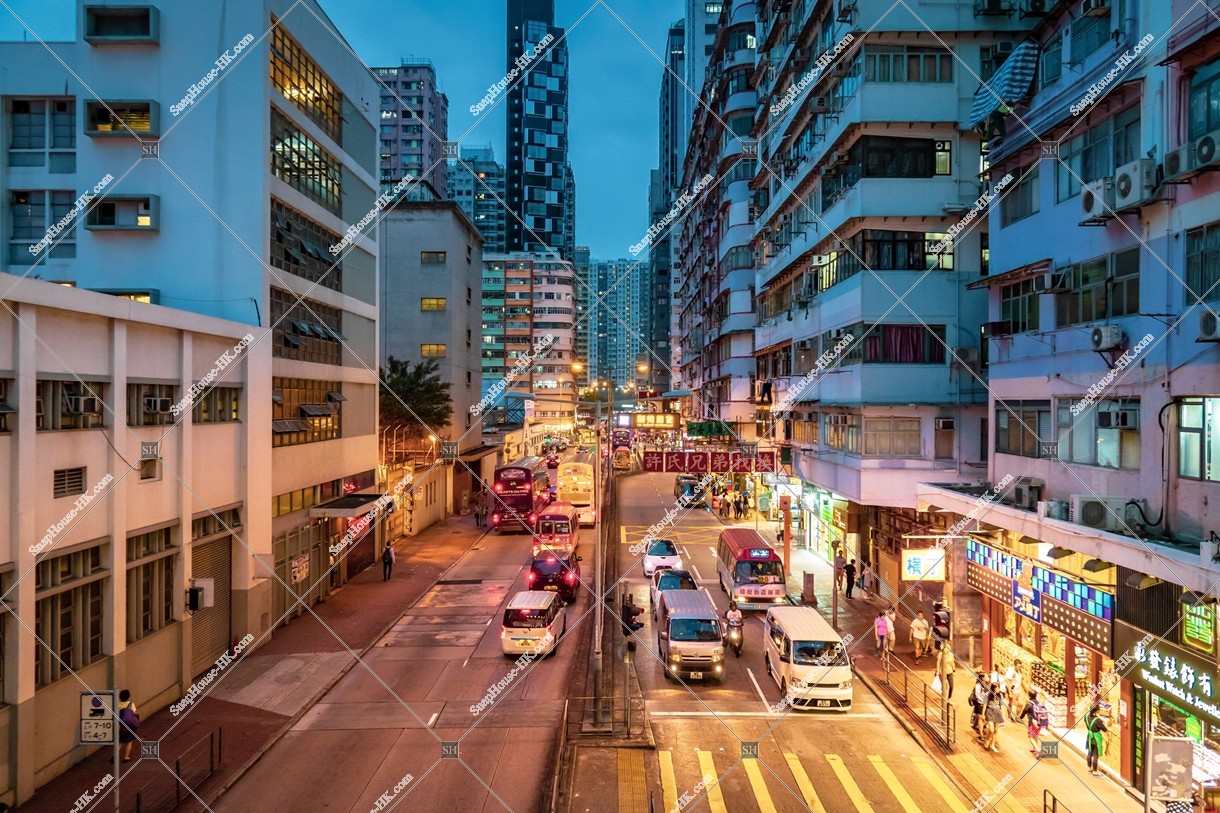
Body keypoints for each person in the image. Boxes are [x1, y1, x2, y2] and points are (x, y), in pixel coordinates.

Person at [1020, 690, 1050, 757]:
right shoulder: (1038, 703)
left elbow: (1024, 712)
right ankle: (1035, 749)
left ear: (1029, 696)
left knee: (1030, 737)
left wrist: (1020, 718)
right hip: (1040, 723)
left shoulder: (1029, 704)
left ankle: (1037, 749)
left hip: (1033, 723)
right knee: (1035, 736)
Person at [1085, 705, 1108, 776]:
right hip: (1096, 738)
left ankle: (1089, 768)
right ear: (1097, 711)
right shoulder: (1097, 720)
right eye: (1099, 710)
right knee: (1095, 755)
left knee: (1089, 752)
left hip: (1089, 736)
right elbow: (1104, 729)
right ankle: (1095, 771)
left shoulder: (1086, 717)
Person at [982, 682, 1005, 752]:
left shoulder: (1000, 695)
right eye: (997, 687)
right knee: (991, 730)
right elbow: (985, 704)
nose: (999, 689)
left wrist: (1003, 715)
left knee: (996, 730)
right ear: (994, 688)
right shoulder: (987, 695)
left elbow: (1002, 706)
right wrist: (983, 714)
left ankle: (992, 744)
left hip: (997, 712)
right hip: (989, 712)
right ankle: (988, 740)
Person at [118, 689, 140, 762]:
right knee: (129, 741)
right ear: (128, 696)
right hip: (129, 725)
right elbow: (133, 712)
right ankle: (126, 757)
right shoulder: (131, 704)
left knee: (120, 741)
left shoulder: (118, 704)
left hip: (121, 725)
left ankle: (115, 755)